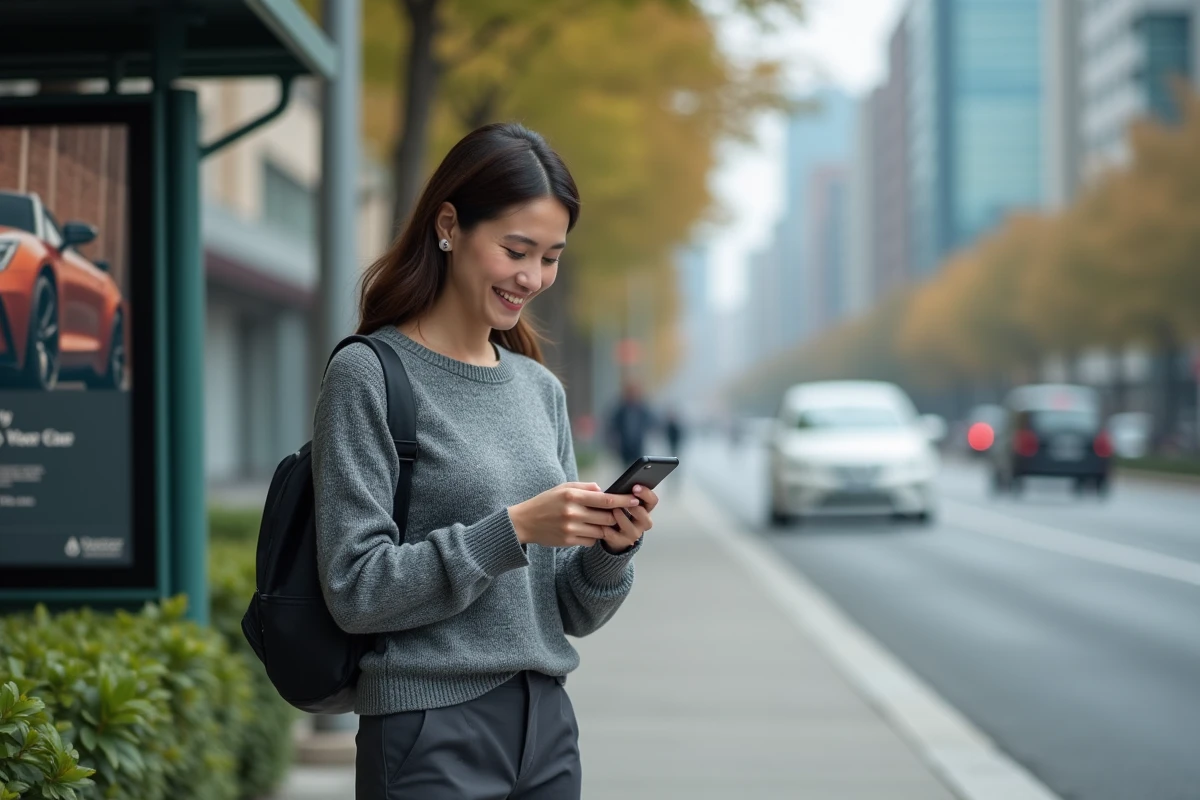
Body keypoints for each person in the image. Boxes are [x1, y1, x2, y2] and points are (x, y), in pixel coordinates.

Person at [312, 123, 658, 800]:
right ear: (449, 226)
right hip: (425, 728)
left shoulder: (539, 390)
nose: (532, 278)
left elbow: (568, 611)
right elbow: (355, 589)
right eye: (516, 250)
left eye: (551, 257)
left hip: (547, 727)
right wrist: (515, 529)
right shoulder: (369, 374)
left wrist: (612, 550)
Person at [607, 381, 656, 465]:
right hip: (624, 446)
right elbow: (613, 426)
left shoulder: (643, 409)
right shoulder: (620, 410)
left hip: (639, 445)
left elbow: (651, 423)